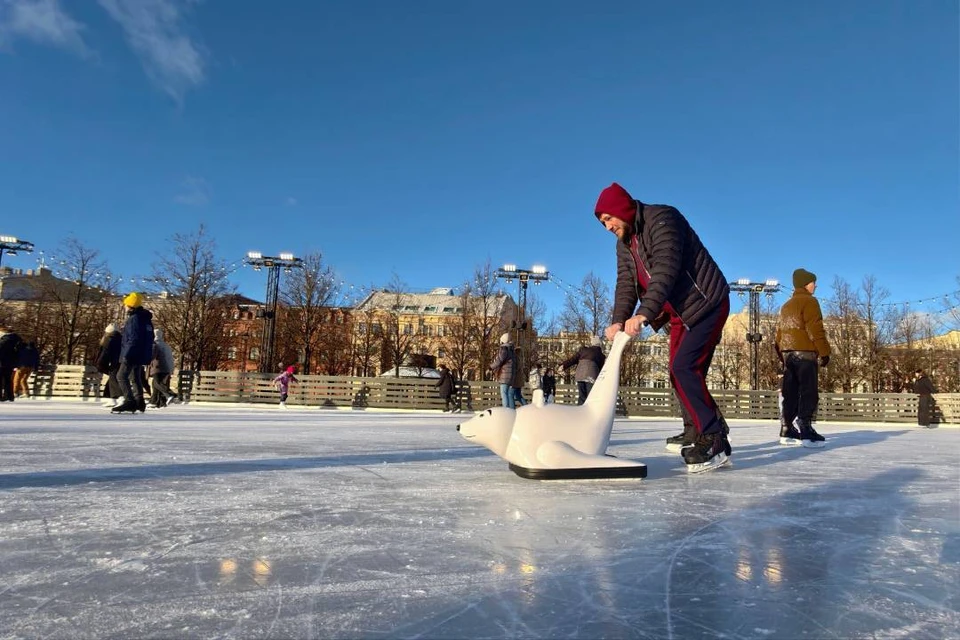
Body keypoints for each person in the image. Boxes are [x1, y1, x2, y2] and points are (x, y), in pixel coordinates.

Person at [596, 182, 732, 472]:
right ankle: (697, 430)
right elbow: (626, 284)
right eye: (602, 222)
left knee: (685, 368)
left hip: (707, 303)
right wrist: (619, 319)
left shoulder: (663, 219)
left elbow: (665, 269)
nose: (607, 227)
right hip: (680, 314)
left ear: (622, 209)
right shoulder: (624, 244)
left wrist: (644, 314)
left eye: (608, 218)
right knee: (677, 371)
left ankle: (714, 436)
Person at [774, 268, 830, 448]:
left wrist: (782, 354)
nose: (816, 286)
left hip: (788, 354)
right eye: (813, 282)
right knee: (808, 391)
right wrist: (824, 351)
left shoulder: (786, 305)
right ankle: (805, 428)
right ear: (805, 284)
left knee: (790, 392)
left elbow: (780, 333)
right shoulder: (810, 301)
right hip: (805, 352)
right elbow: (815, 328)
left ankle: (786, 428)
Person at [113, 293, 155, 414]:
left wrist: (127, 354)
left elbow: (133, 338)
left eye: (126, 305)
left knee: (121, 376)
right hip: (141, 353)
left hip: (132, 352)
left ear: (130, 306)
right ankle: (139, 401)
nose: (125, 307)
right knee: (134, 377)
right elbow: (150, 337)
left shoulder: (134, 319)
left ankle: (129, 400)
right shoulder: (145, 319)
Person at [560, 335, 606, 405]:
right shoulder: (601, 355)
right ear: (600, 344)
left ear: (592, 343)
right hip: (591, 376)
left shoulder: (583, 350)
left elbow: (573, 359)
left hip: (580, 375)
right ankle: (589, 410)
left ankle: (580, 410)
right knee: (590, 397)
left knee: (582, 396)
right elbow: (601, 369)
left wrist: (563, 365)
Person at [147, 328, 180, 408]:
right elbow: (170, 358)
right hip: (166, 368)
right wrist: (171, 369)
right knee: (156, 383)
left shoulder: (153, 344)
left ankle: (169, 395)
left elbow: (151, 357)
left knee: (156, 383)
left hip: (156, 368)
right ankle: (155, 401)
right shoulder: (166, 346)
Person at [96, 323, 123, 407]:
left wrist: (100, 364)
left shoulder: (108, 339)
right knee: (112, 379)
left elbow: (105, 353)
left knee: (114, 378)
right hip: (122, 362)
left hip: (114, 362)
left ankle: (121, 397)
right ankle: (112, 398)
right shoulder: (122, 339)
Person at [489, 332, 517, 409]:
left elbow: (499, 361)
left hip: (505, 375)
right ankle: (510, 410)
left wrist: (490, 367)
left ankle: (506, 410)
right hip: (510, 375)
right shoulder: (512, 350)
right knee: (508, 394)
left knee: (504, 394)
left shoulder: (504, 350)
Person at [0, 324, 24, 402]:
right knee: (8, 379)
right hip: (10, 362)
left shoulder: (5, 339)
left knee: (3, 379)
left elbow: (1, 349)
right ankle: (9, 396)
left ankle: (6, 396)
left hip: (3, 361)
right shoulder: (16, 338)